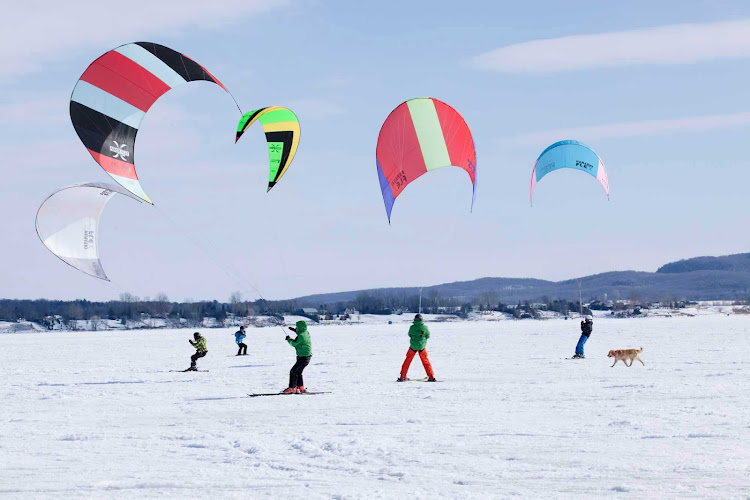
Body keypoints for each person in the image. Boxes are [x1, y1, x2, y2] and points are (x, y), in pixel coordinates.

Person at [397, 314, 436, 382]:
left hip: (413, 346)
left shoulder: (412, 327)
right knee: (425, 361)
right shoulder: (425, 327)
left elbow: (409, 334)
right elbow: (428, 336)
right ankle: (431, 376)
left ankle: (403, 376)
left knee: (407, 361)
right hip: (422, 347)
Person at [283, 320, 312, 394]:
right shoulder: (305, 333)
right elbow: (299, 335)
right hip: (305, 357)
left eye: (297, 327)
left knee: (293, 371)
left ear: (300, 327)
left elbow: (295, 344)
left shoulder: (301, 336)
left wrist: (289, 340)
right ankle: (300, 387)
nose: (296, 328)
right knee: (298, 372)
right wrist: (293, 330)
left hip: (303, 357)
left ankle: (292, 388)